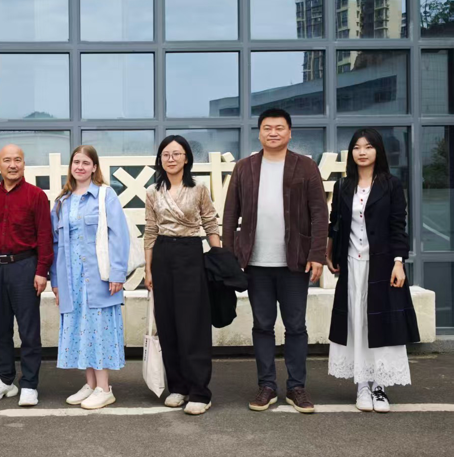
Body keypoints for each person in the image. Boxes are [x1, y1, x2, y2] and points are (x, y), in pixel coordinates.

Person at [223, 108, 329, 414]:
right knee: (262, 325)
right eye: (267, 128)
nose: (273, 132)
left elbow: (319, 213)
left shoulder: (305, 166)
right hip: (256, 264)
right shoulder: (244, 168)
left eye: (279, 128)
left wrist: (317, 254)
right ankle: (267, 386)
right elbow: (230, 214)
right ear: (259, 133)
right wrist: (230, 256)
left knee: (296, 326)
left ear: (289, 133)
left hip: (295, 263)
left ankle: (296, 387)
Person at [326, 128, 419, 412]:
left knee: (381, 324)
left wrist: (399, 262)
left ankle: (380, 386)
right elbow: (335, 223)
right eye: (357, 147)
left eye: (368, 147)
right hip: (351, 265)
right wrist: (329, 252)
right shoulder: (343, 185)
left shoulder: (391, 185)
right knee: (356, 323)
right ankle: (362, 386)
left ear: (378, 150)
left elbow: (398, 226)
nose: (362, 152)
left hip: (382, 266)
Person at [143, 135, 221, 416]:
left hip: (190, 253)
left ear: (186, 158)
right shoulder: (153, 191)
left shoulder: (198, 188)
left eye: (177, 153)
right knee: (168, 323)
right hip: (163, 255)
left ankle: (200, 391)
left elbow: (210, 223)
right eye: (166, 154)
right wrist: (148, 269)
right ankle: (178, 386)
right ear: (160, 159)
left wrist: (219, 259)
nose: (171, 158)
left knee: (192, 324)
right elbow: (150, 230)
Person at [50, 145, 129, 410]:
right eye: (76, 162)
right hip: (71, 278)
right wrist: (56, 282)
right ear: (71, 166)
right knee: (81, 330)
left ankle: (104, 388)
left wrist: (117, 273)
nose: (80, 167)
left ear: (94, 167)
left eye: (86, 162)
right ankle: (91, 384)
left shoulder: (106, 195)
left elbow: (119, 235)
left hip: (99, 277)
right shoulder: (62, 201)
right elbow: (55, 244)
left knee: (98, 329)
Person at [0, 145, 53, 406]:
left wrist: (42, 271)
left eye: (18, 160)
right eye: (7, 160)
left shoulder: (36, 195)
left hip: (25, 266)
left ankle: (29, 384)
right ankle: (4, 380)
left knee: (28, 330)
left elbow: (45, 235)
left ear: (24, 164)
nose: (13, 165)